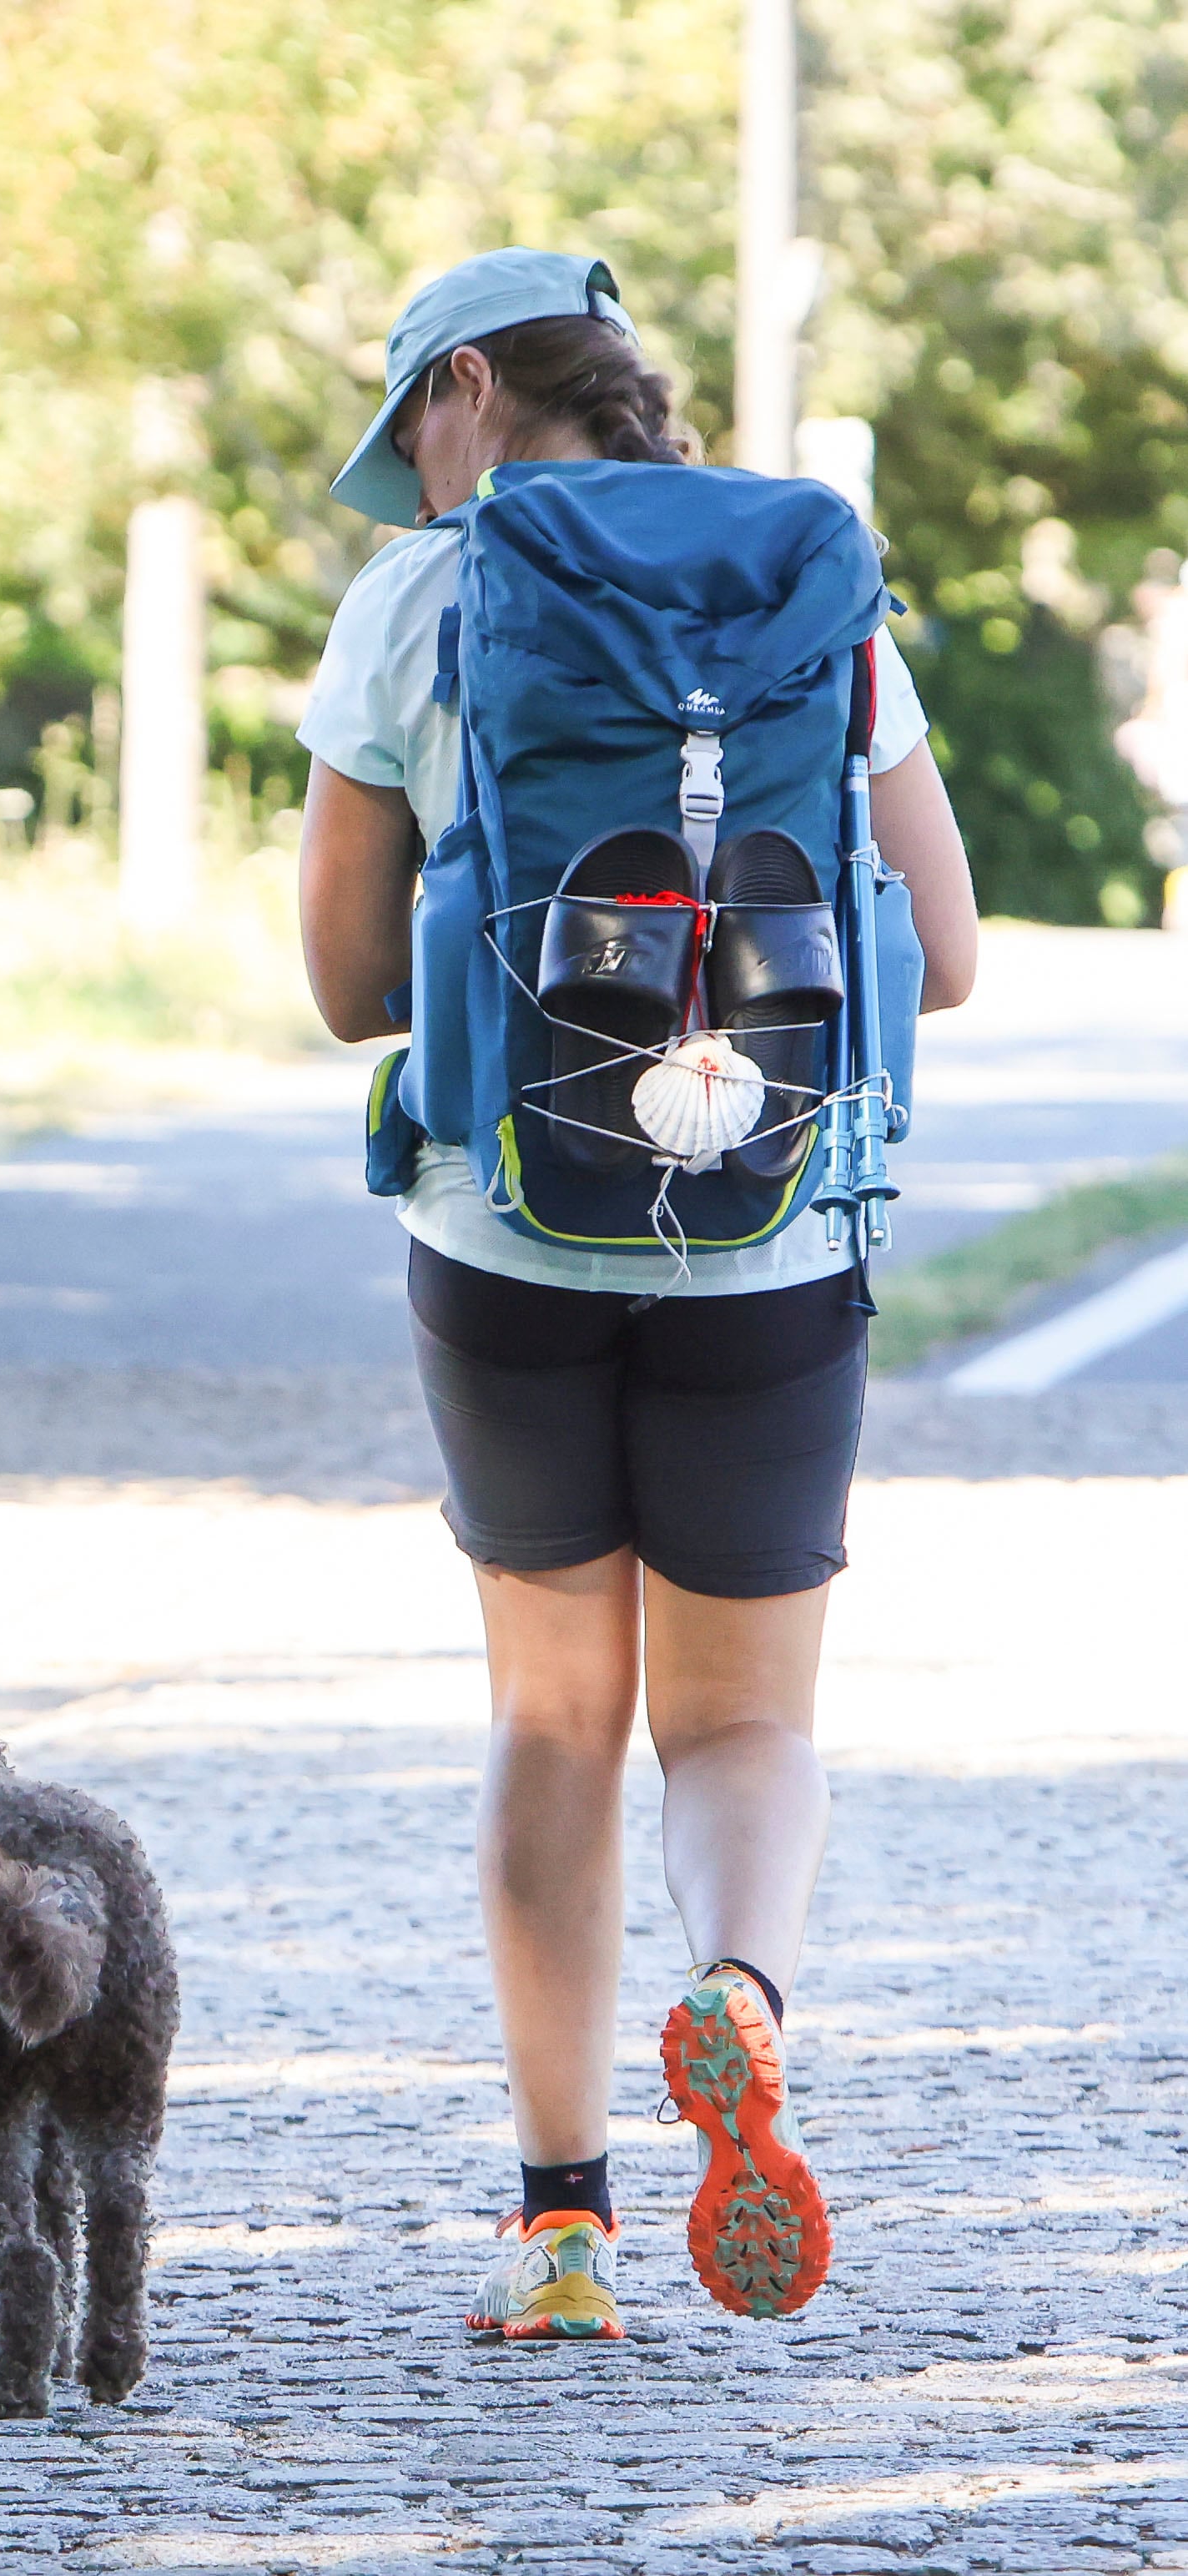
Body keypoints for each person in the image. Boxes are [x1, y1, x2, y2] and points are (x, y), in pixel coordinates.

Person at [296, 251, 981, 2342]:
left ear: (468, 385)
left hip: (506, 1233)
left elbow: (342, 980)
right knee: (745, 1718)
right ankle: (739, 1990)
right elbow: (943, 951)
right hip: (769, 1227)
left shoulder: (416, 597)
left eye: (413, 432)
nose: (415, 481)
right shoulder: (806, 582)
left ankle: (563, 2230)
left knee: (552, 1716)